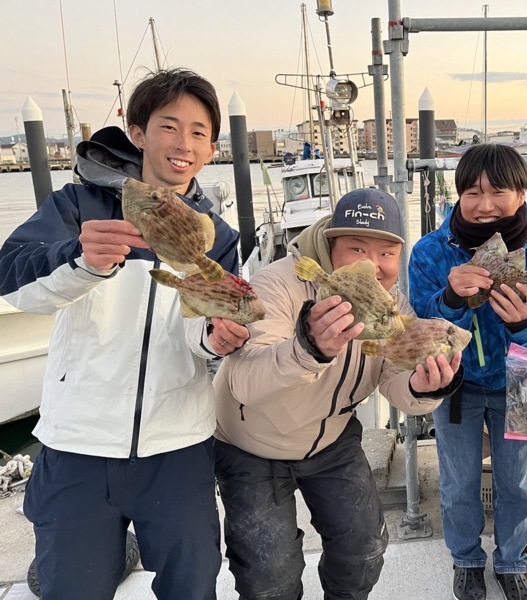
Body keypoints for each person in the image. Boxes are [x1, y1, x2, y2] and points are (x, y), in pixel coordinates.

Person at [0, 68, 248, 599]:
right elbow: (12, 280)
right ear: (138, 132)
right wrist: (81, 259)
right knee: (72, 587)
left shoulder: (219, 236)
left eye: (199, 132)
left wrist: (217, 338)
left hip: (178, 445)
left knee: (192, 585)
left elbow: (203, 326)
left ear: (211, 149)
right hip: (79, 443)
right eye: (168, 126)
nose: (183, 144)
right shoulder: (79, 205)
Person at [213, 187, 463, 600]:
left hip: (331, 438)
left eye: (387, 253)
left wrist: (424, 387)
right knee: (270, 577)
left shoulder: (393, 306)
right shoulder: (276, 285)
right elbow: (245, 382)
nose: (373, 266)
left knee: (364, 551)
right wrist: (308, 348)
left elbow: (394, 382)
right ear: (331, 247)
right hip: (250, 444)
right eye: (357, 249)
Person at [409, 144, 527, 600]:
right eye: (472, 193)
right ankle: (466, 560)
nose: (485, 205)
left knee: (517, 482)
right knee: (458, 481)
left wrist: (525, 326)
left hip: (522, 386)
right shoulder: (429, 253)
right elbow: (421, 333)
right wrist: (450, 300)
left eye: (498, 191)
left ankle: (512, 561)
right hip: (456, 386)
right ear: (458, 195)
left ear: (522, 193)